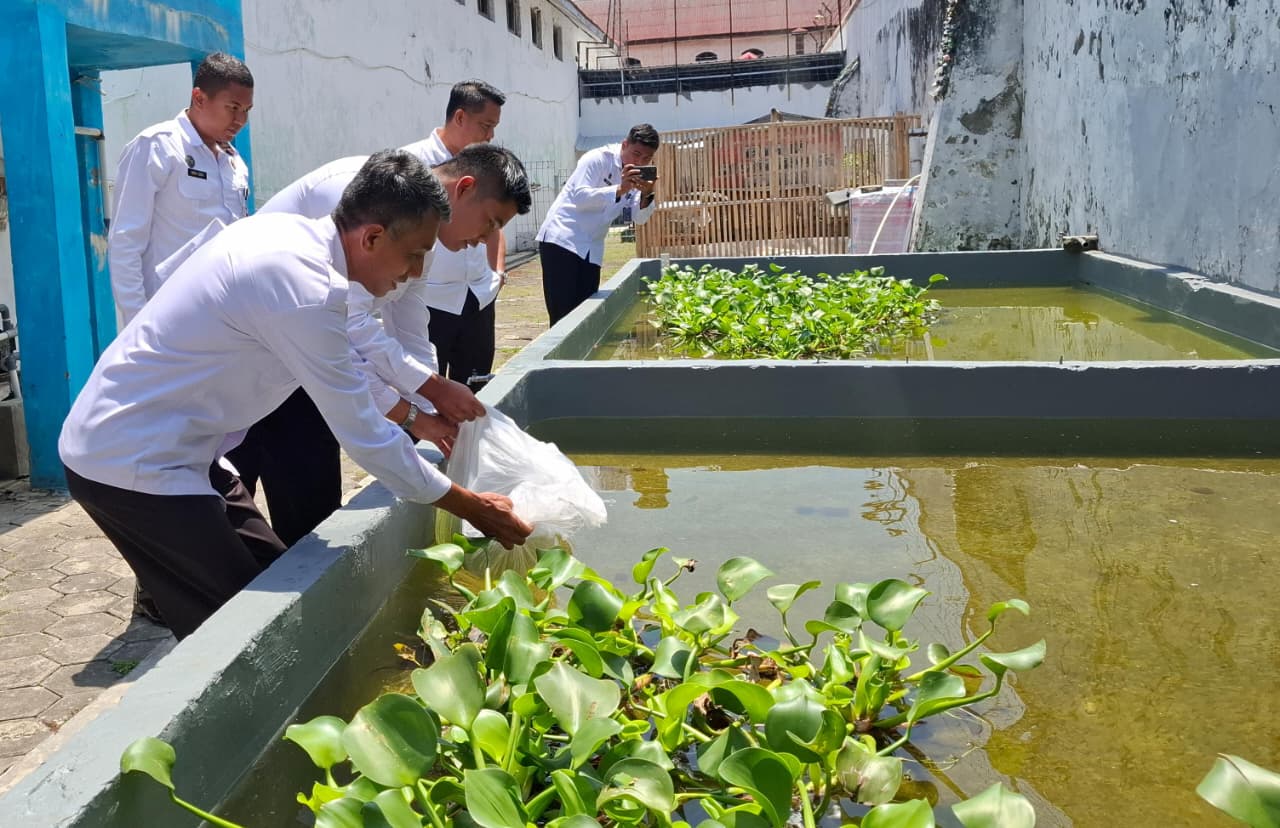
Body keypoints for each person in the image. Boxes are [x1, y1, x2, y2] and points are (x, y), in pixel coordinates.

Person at [59, 151, 533, 640]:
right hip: (131, 457)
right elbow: (364, 434)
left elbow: (357, 352)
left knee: (280, 587)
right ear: (372, 237)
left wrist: (422, 404)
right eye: (414, 255)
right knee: (241, 639)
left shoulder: (300, 246)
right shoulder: (305, 287)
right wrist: (472, 507)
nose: (416, 273)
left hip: (188, 449)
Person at [226, 144, 531, 547]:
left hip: (299, 358)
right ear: (464, 188)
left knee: (304, 496)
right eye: (490, 223)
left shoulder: (422, 231)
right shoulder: (370, 197)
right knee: (238, 482)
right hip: (256, 355)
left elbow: (409, 325)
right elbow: (348, 335)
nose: (485, 240)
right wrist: (420, 405)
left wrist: (428, 403)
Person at [107, 52, 254, 325]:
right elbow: (125, 242)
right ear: (199, 98)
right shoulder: (157, 147)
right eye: (233, 107)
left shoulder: (234, 163)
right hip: (169, 317)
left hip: (225, 315)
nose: (240, 120)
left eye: (246, 110)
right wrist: (138, 323)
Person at [402, 80, 509, 383]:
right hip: (430, 300)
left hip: (478, 296)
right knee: (426, 387)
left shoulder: (485, 166)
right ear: (460, 117)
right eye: (485, 126)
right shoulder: (412, 164)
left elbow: (494, 224)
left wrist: (497, 273)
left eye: (494, 128)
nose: (490, 136)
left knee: (476, 388)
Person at [537, 123, 660, 325]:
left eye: (646, 158)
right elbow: (580, 197)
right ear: (624, 145)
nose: (639, 162)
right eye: (636, 154)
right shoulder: (597, 158)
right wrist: (620, 189)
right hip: (563, 239)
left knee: (587, 314)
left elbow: (639, 217)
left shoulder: (636, 178)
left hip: (592, 248)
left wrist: (647, 193)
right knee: (562, 315)